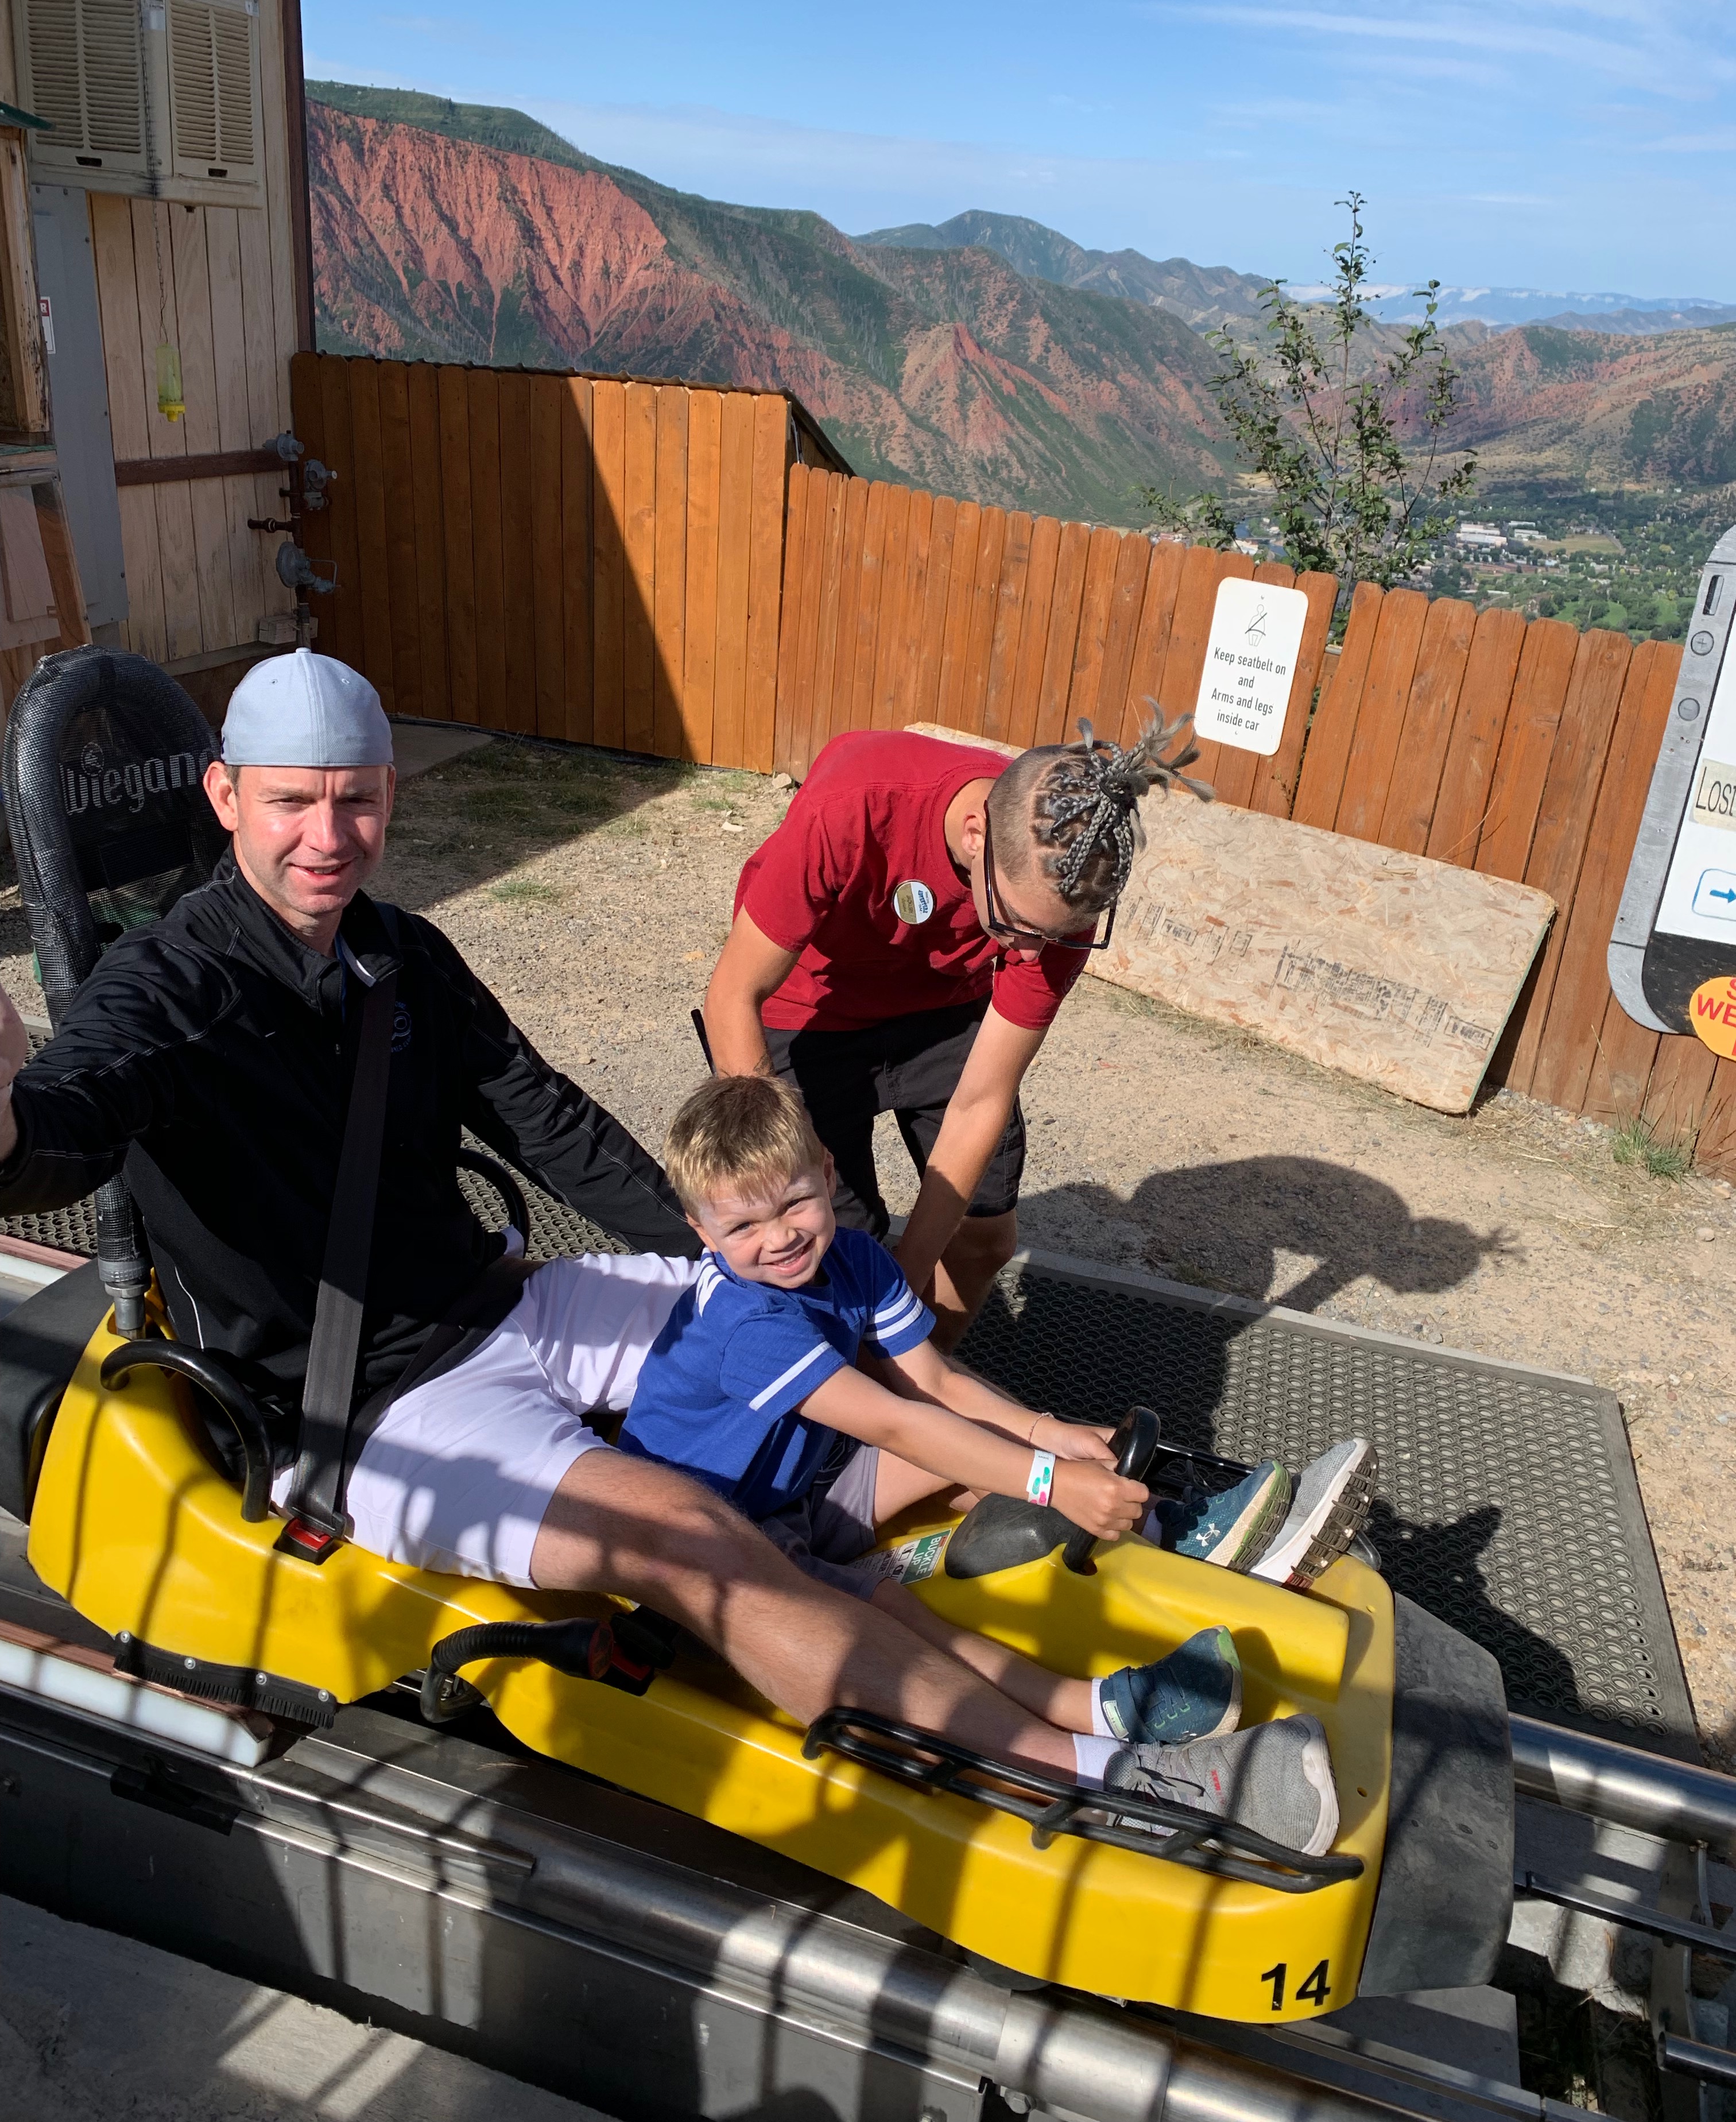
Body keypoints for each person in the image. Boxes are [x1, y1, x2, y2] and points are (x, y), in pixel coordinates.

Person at [0, 649, 1326, 1844]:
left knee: (817, 1313)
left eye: (356, 801)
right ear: (226, 795)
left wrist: (731, 1245)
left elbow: (553, 1127)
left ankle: (1037, 1532)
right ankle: (1098, 1771)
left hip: (509, 1306)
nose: (327, 836)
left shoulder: (403, 959)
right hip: (371, 1412)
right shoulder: (164, 995)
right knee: (689, 1533)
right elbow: (56, 1133)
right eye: (292, 802)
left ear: (390, 794)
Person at [703, 713, 1374, 1586]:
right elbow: (732, 996)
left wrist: (906, 1281)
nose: (1030, 953)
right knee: (831, 1268)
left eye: (1055, 939)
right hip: (807, 1012)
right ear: (976, 831)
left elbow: (981, 1096)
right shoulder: (860, 803)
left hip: (935, 1016)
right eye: (1016, 927)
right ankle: (893, 1434)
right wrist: (777, 1176)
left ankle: (901, 1403)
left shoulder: (1059, 889)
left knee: (972, 1245)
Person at [620, 1071, 1250, 1753]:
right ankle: (1089, 1713)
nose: (780, 1238)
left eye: (794, 1203)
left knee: (993, 1445)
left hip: (796, 1494)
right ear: (701, 1230)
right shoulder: (746, 1322)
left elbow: (936, 1388)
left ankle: (1169, 1531)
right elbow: (899, 1424)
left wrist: (1053, 1437)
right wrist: (1049, 1479)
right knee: (887, 1607)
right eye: (744, 1225)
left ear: (827, 1175)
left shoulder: (856, 1259)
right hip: (712, 1545)